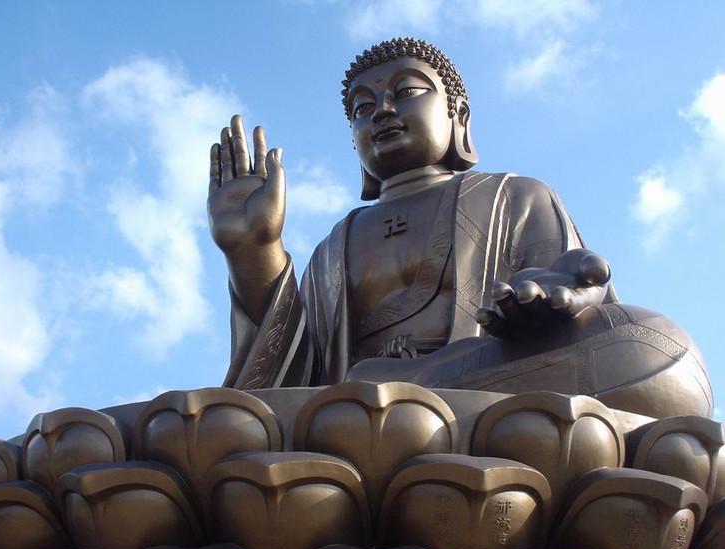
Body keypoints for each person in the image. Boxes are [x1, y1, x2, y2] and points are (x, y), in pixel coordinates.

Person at [207, 38, 711, 418]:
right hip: (356, 413)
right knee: (211, 419)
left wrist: (554, 303)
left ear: (458, 115)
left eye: (406, 91)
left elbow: (581, 308)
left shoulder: (515, 197)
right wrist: (253, 251)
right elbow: (290, 382)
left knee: (656, 349)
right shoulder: (332, 249)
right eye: (362, 108)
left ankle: (412, 399)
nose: (381, 111)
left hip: (487, 386)